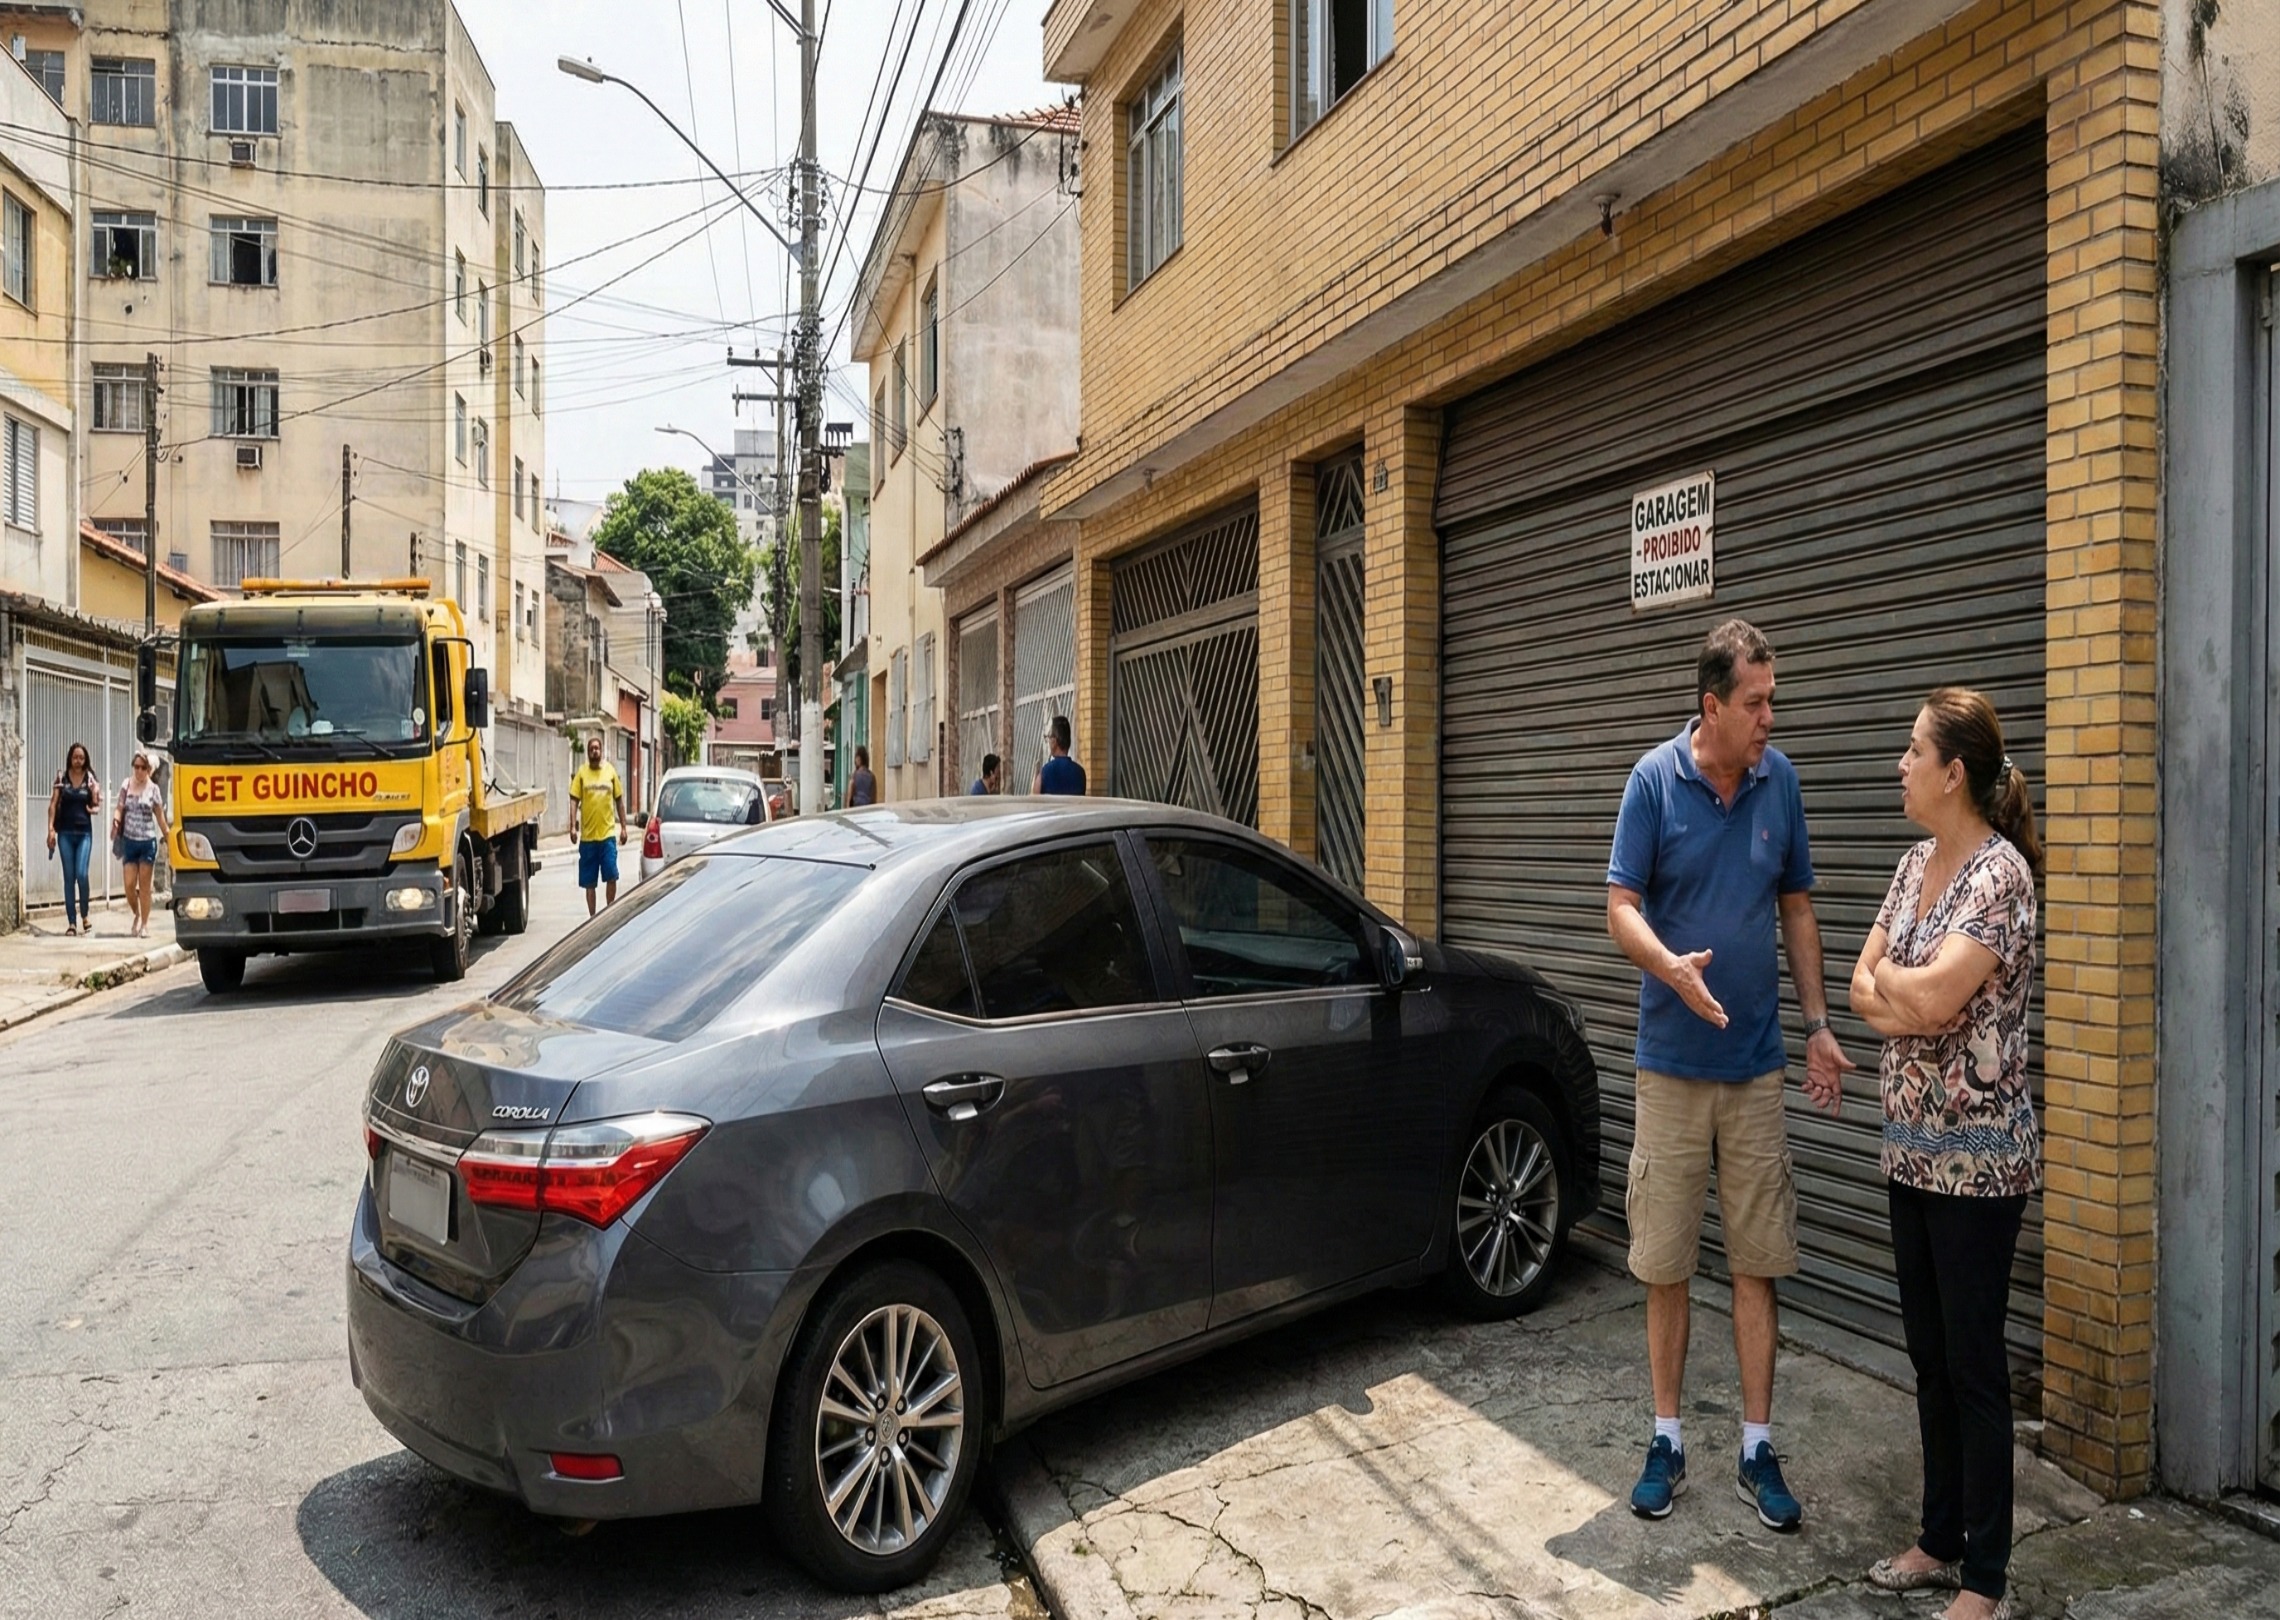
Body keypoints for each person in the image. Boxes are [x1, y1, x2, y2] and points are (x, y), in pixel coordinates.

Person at [1605, 618, 1852, 1532]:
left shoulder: (1779, 781)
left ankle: (1756, 1445)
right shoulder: (1651, 782)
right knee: (1664, 1262)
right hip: (1670, 1069)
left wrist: (1819, 1025)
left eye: (1773, 700)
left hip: (1753, 1071)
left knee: (1759, 1260)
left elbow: (1796, 909)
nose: (1770, 718)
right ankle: (1666, 1436)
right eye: (1756, 703)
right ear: (1711, 706)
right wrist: (1667, 965)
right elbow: (1620, 906)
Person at [1853, 689, 2042, 1620]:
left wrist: (1905, 991)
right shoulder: (1911, 864)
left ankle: (1988, 1582)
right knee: (1928, 1357)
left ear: (1952, 772)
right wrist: (1906, 990)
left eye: (1911, 749)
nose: (1899, 764)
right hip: (1911, 1152)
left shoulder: (1999, 876)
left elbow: (1926, 1004)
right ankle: (1938, 1538)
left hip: (1980, 1164)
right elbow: (1863, 988)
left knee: (1973, 1366)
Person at [45, 742, 102, 936]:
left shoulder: (90, 779)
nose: (78, 761)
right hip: (65, 834)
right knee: (69, 878)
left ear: (86, 760)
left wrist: (95, 797)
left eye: (82, 758)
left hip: (84, 832)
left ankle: (85, 914)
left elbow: (96, 805)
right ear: (70, 757)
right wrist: (51, 829)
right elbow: (53, 804)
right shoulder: (62, 778)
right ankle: (71, 922)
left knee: (82, 874)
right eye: (75, 757)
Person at [112, 751, 170, 939]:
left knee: (145, 887)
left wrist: (168, 837)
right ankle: (136, 913)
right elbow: (120, 807)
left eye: (142, 767)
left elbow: (160, 816)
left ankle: (144, 924)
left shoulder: (153, 790)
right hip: (129, 841)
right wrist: (115, 819)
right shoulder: (126, 785)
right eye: (135, 766)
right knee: (129, 885)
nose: (138, 770)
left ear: (149, 770)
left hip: (147, 842)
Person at [569, 734, 626, 918]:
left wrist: (624, 827)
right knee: (589, 883)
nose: (595, 751)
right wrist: (572, 826)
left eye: (597, 748)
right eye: (591, 748)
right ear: (588, 752)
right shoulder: (581, 774)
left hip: (608, 836)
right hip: (588, 839)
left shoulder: (610, 772)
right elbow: (573, 800)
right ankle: (592, 918)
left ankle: (609, 912)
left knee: (611, 875)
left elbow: (619, 801)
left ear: (601, 751)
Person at [1036, 715, 1086, 796]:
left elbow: (1034, 803)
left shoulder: (1045, 772)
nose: (1048, 742)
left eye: (1048, 737)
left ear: (1054, 741)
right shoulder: (1080, 773)